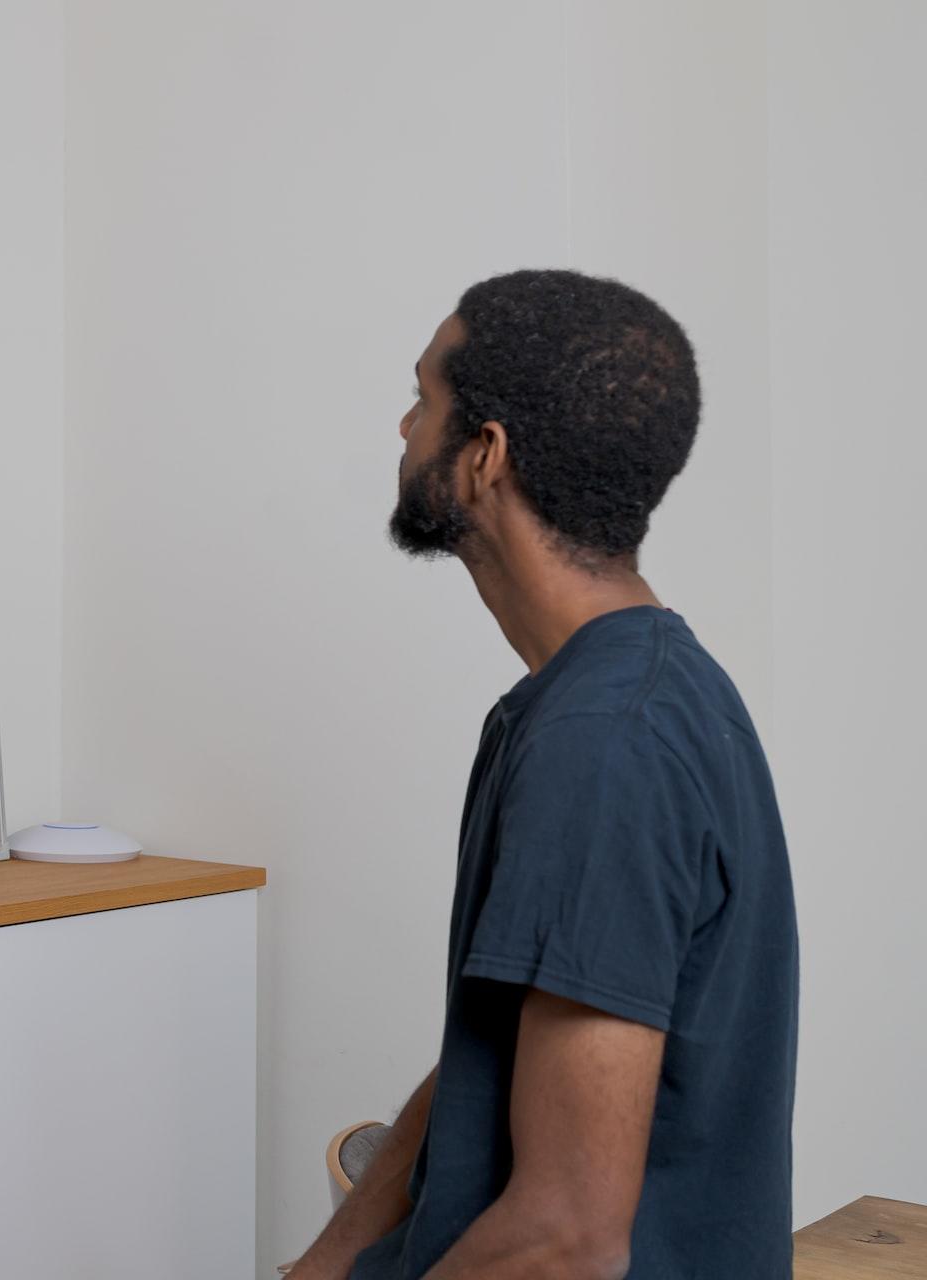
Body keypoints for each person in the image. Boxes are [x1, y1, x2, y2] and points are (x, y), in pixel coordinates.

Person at [287, 270, 797, 1279]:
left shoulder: (605, 744)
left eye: (423, 398)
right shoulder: (631, 694)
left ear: (485, 455)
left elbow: (567, 1235)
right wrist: (326, 1262)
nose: (402, 425)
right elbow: (514, 1034)